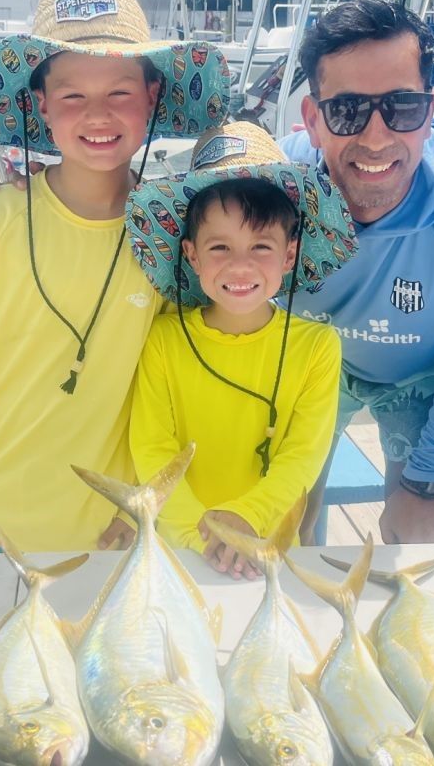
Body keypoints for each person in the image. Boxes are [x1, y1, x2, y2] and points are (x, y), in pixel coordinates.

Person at [0, 0, 231, 556]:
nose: (97, 114)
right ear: (42, 106)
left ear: (152, 97)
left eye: (120, 92)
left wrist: (144, 502)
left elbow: (170, 391)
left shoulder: (172, 233)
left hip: (108, 532)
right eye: (72, 95)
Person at [278, 0, 434, 545]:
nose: (376, 138)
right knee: (280, 527)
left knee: (419, 539)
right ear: (312, 120)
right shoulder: (273, 184)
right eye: (347, 110)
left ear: (431, 110)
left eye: (402, 107)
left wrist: (424, 484)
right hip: (309, 363)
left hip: (425, 374)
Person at [125, 121, 355, 577]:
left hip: (267, 550)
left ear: (289, 255)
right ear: (191, 254)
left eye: (261, 246)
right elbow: (152, 450)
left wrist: (247, 520)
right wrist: (204, 537)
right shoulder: (163, 339)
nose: (241, 265)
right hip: (179, 549)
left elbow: (302, 457)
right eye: (220, 247)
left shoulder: (318, 347)